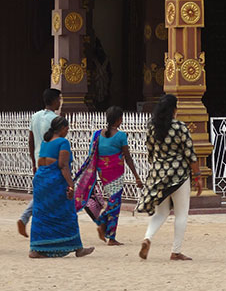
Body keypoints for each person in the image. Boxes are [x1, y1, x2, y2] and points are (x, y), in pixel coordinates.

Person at [137, 94, 202, 261]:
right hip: (179, 175)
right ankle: (176, 251)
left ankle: (147, 238)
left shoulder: (152, 128)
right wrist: (198, 175)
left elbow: (150, 153)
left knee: (161, 213)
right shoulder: (180, 127)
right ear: (174, 109)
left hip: (158, 174)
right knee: (181, 214)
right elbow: (190, 153)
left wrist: (158, 168)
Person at [75, 105, 143, 246]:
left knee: (113, 201)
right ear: (119, 120)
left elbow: (92, 155)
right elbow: (128, 157)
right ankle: (107, 231)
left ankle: (105, 228)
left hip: (103, 173)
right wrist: (136, 176)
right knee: (115, 203)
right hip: (116, 173)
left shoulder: (97, 135)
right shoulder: (120, 136)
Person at [29, 115, 94, 258]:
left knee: (42, 214)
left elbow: (41, 161)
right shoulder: (63, 142)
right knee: (67, 213)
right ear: (63, 129)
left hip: (41, 181)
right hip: (55, 182)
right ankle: (77, 248)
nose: (68, 131)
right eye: (67, 128)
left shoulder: (45, 143)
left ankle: (37, 248)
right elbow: (63, 166)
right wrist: (71, 185)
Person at [17, 87, 62, 237]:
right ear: (54, 100)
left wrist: (33, 162)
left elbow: (30, 140)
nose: (60, 102)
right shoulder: (54, 120)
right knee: (49, 194)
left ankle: (25, 218)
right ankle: (30, 219)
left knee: (42, 192)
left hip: (38, 158)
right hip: (51, 160)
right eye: (59, 99)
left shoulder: (35, 116)